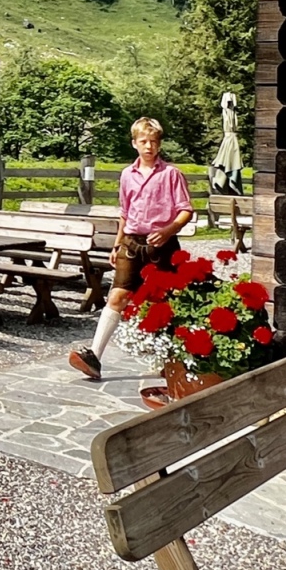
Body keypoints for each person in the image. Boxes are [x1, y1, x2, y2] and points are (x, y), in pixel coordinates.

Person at [70, 116, 193, 380]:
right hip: (131, 243)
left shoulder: (171, 174)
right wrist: (116, 244)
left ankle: (171, 360)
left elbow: (186, 211)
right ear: (134, 143)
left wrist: (169, 229)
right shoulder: (127, 174)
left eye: (153, 142)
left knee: (167, 301)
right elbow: (125, 213)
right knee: (117, 296)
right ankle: (94, 355)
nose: (148, 146)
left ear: (159, 145)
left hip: (162, 244)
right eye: (143, 141)